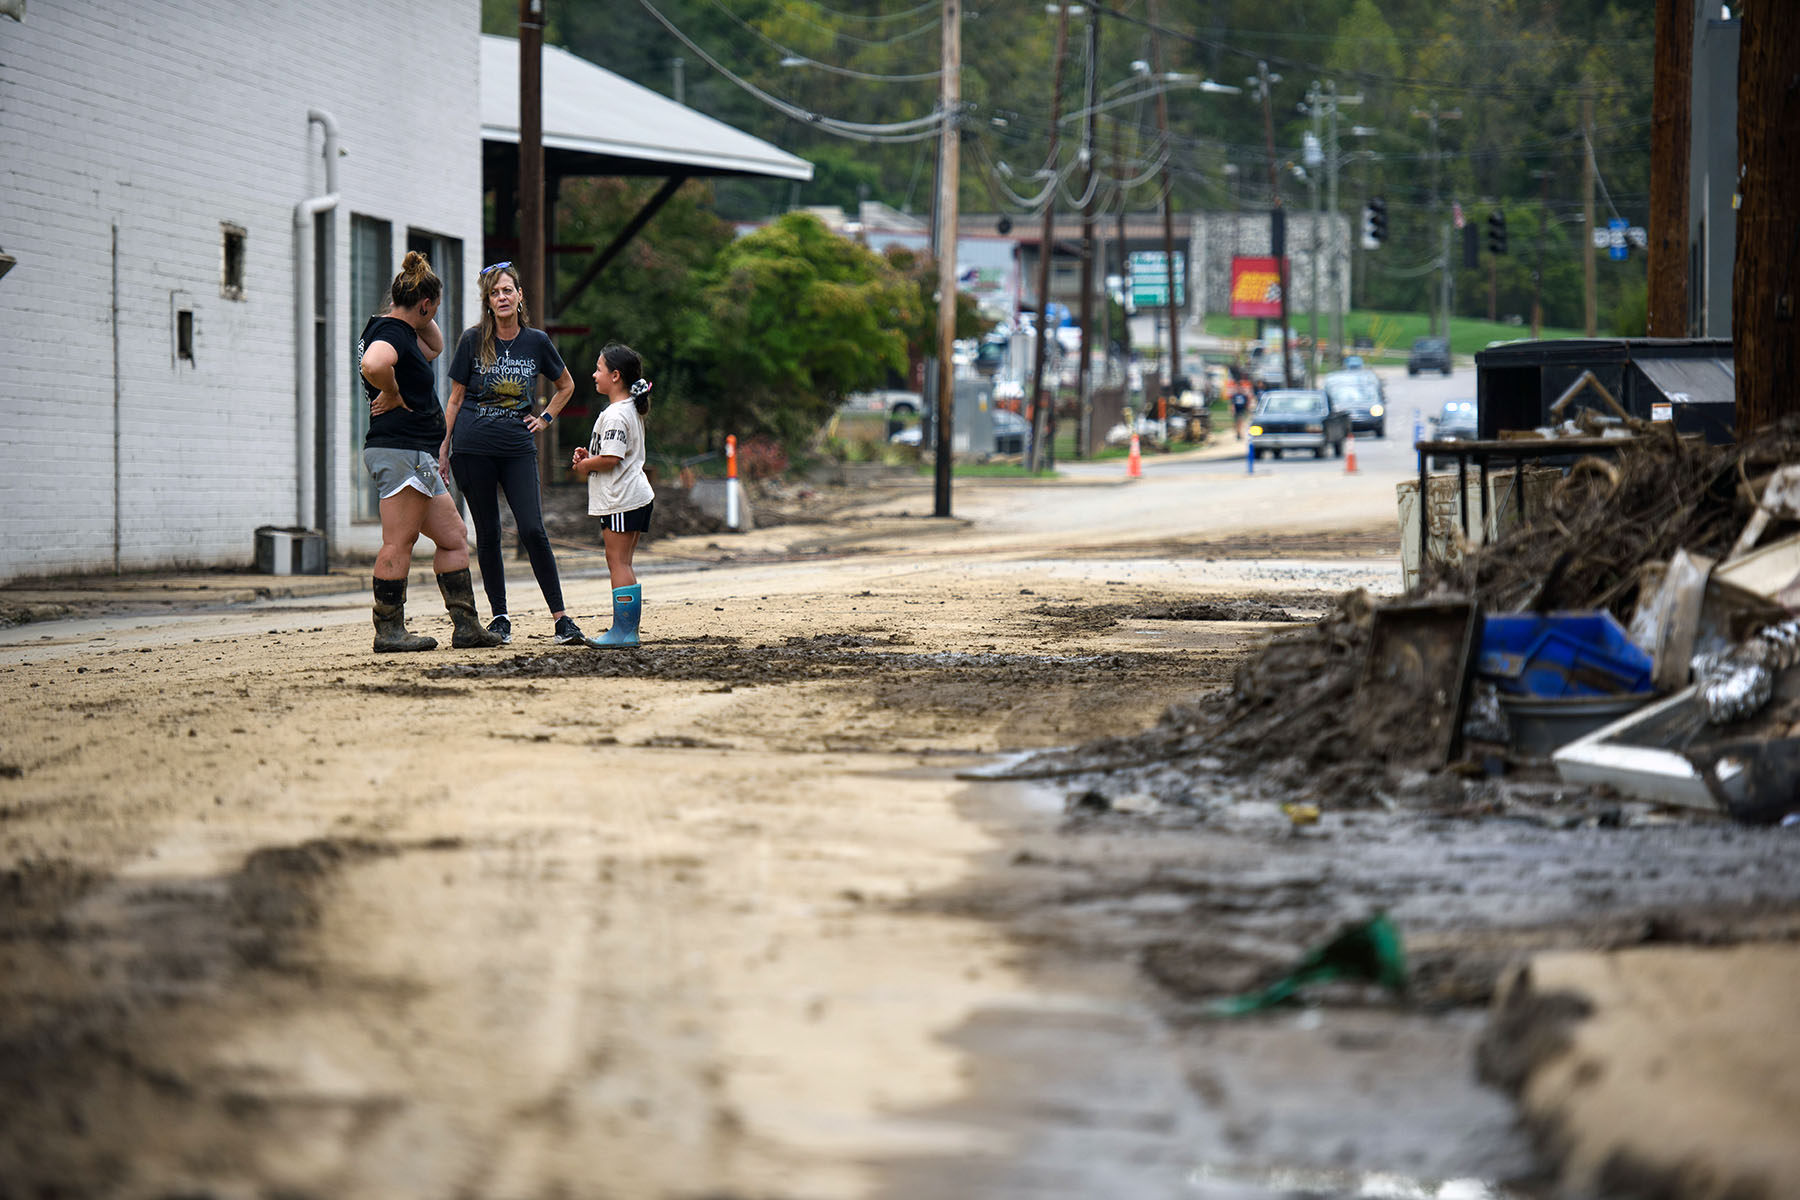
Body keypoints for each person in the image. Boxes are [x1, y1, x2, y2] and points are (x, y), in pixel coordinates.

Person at [357, 251, 504, 653]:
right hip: (400, 450)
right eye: (432, 307)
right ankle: (388, 630)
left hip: (414, 453)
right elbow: (374, 363)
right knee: (398, 541)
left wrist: (421, 308)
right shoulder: (389, 334)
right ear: (424, 304)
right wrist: (392, 392)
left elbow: (434, 346)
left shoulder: (400, 330)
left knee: (454, 536)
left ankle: (466, 626)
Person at [437, 263, 583, 646]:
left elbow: (565, 385)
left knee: (533, 529)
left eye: (507, 291)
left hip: (517, 449)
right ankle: (500, 619)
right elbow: (454, 399)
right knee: (488, 533)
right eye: (494, 293)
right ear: (487, 302)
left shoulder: (536, 341)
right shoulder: (472, 340)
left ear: (520, 296)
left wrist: (546, 418)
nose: (502, 298)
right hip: (472, 448)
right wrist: (443, 447)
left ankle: (562, 619)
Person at [570, 343, 655, 648]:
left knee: (617, 562)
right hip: (632, 496)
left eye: (599, 369)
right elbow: (609, 452)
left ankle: (624, 631)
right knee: (624, 562)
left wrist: (584, 465)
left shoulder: (617, 414)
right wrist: (589, 455)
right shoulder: (626, 409)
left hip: (623, 498)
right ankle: (626, 630)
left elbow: (611, 458)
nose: (594, 374)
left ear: (616, 376)